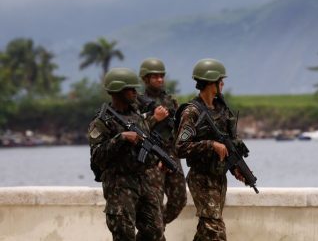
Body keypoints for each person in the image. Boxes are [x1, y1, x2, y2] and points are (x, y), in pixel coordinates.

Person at [88, 67, 165, 241]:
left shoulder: (137, 115)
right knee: (124, 235)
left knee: (155, 231)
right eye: (131, 89)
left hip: (143, 181)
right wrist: (121, 138)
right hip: (119, 186)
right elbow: (97, 157)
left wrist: (160, 160)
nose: (134, 92)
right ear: (117, 90)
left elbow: (147, 144)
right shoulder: (101, 122)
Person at [176, 58, 248, 241]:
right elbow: (180, 147)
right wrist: (210, 145)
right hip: (201, 178)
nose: (223, 83)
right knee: (216, 231)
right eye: (220, 80)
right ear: (210, 82)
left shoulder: (221, 109)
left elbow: (227, 145)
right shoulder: (191, 112)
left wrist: (235, 168)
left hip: (218, 178)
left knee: (206, 232)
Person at [138, 58, 187, 226]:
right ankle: (154, 231)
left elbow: (179, 129)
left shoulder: (170, 101)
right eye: (155, 76)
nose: (159, 79)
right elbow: (135, 130)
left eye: (161, 76)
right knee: (154, 204)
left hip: (171, 156)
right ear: (146, 79)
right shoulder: (138, 103)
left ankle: (155, 228)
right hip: (151, 160)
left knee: (179, 199)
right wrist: (154, 118)